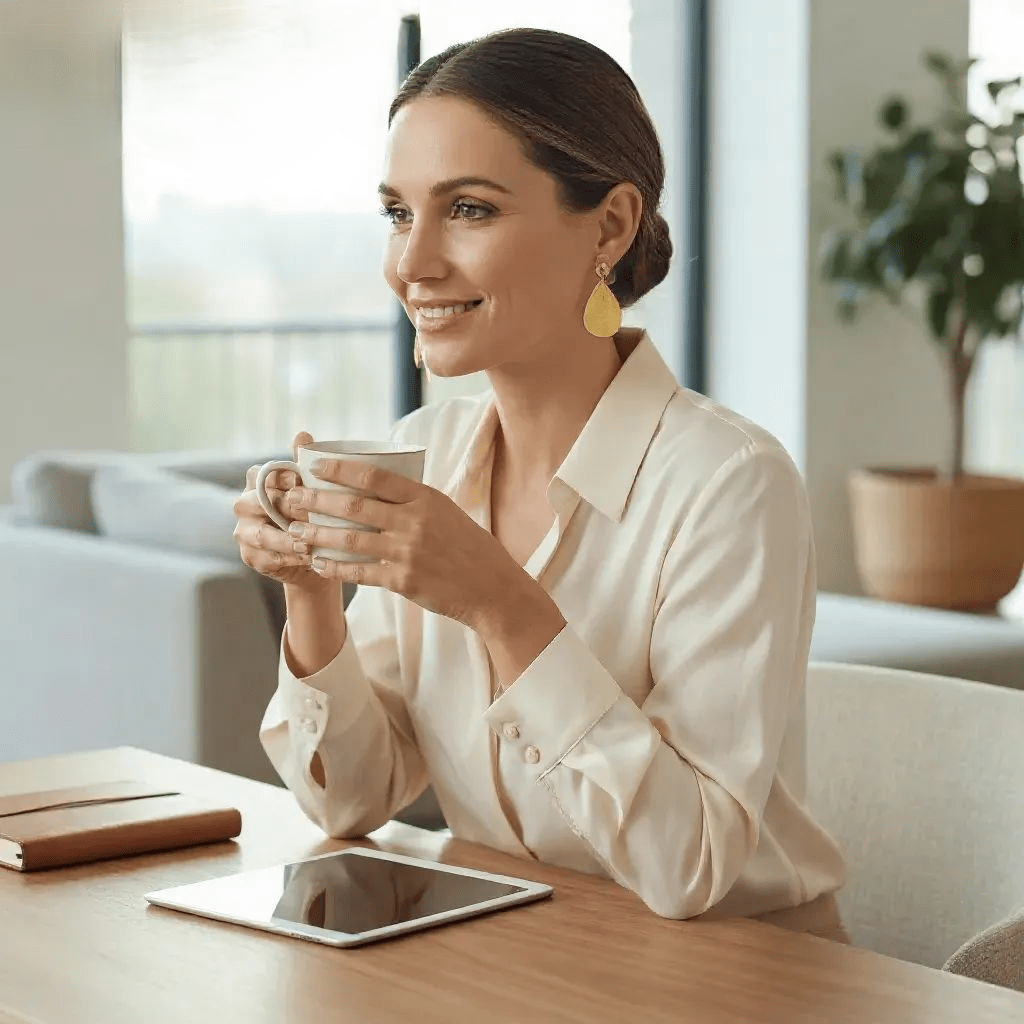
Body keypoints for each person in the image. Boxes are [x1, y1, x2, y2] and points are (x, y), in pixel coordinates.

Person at [232, 27, 847, 937]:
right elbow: (351, 804)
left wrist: (497, 602)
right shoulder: (427, 451)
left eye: (469, 209)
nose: (413, 263)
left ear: (609, 225)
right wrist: (313, 597)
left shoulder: (731, 484)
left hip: (738, 975)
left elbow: (692, 867)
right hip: (526, 947)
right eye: (398, 213)